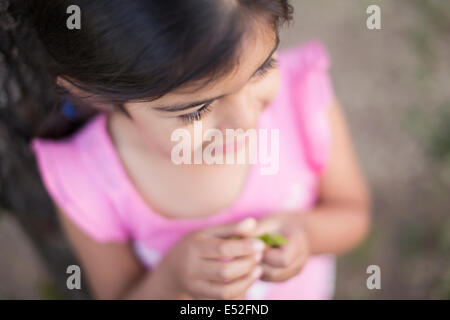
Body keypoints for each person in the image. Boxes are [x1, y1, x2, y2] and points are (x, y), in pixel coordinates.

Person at [5, 0, 371, 299]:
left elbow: (353, 215)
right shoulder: (87, 180)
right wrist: (171, 280)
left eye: (261, 69)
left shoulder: (301, 97)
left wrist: (305, 233)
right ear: (93, 94)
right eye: (196, 109)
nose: (244, 121)